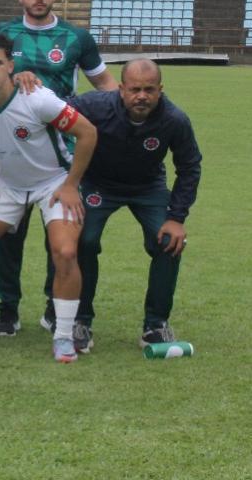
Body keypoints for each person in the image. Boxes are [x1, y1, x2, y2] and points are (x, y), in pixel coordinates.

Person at [0, 32, 97, 363]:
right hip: (8, 184)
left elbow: (87, 132)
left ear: (11, 66)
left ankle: (64, 337)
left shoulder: (37, 98)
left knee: (65, 251)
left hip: (53, 182)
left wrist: (71, 184)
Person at [0, 0, 118, 337]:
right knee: (8, 233)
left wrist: (130, 111)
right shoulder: (2, 33)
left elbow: (105, 83)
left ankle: (51, 303)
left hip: (61, 152)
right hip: (13, 146)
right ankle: (7, 310)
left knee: (57, 234)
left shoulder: (77, 37)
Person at [66, 58, 200, 352]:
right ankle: (80, 321)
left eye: (149, 90)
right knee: (83, 240)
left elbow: (190, 166)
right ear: (121, 89)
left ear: (160, 90)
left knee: (170, 241)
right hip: (98, 185)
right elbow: (53, 113)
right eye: (135, 89)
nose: (142, 96)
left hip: (147, 187)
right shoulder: (94, 106)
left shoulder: (174, 120)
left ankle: (155, 325)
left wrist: (177, 217)